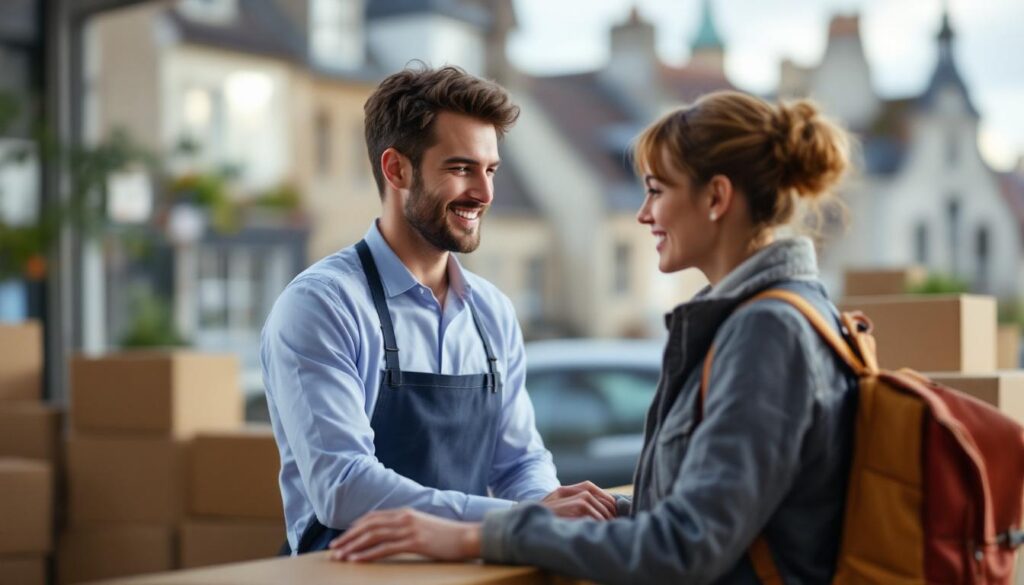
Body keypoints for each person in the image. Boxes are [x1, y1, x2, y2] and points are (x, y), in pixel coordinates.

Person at [326, 90, 858, 584]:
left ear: (717, 197)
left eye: (656, 190)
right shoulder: (760, 320)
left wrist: (474, 535)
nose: (643, 213)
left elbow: (686, 545)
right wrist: (586, 511)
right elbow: (709, 519)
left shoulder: (769, 331)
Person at [260, 65, 617, 556]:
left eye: (490, 170)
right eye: (460, 168)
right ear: (396, 169)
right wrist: (518, 519)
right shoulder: (324, 305)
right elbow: (342, 486)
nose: (485, 194)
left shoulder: (491, 312)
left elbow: (518, 463)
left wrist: (543, 510)